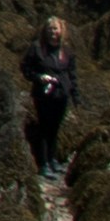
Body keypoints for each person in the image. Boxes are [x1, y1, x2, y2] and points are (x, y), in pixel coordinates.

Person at [25, 15, 81, 180]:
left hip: (61, 95)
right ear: (45, 31)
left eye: (55, 29)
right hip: (44, 95)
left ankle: (53, 159)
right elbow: (26, 68)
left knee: (55, 128)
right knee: (44, 127)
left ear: (61, 31)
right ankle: (43, 164)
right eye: (49, 29)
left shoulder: (67, 51)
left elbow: (72, 75)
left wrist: (76, 96)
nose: (52, 32)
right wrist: (38, 77)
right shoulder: (37, 48)